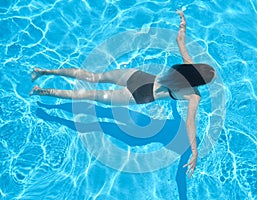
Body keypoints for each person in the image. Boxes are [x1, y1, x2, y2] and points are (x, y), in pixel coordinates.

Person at [29, 10, 216, 177]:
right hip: (140, 95)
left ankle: (45, 71)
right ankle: (41, 92)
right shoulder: (194, 95)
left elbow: (180, 40)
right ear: (201, 82)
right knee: (89, 96)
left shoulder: (187, 65)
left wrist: (183, 21)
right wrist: (194, 151)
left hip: (138, 76)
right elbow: (190, 123)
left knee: (93, 77)